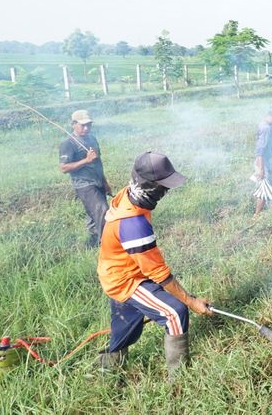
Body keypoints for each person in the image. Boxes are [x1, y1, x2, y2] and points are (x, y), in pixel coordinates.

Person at [96, 151, 212, 377]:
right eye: (163, 186)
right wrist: (191, 301)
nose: (166, 191)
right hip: (126, 280)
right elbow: (159, 273)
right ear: (149, 185)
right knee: (175, 312)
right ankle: (179, 377)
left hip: (120, 270)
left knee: (126, 323)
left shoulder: (129, 194)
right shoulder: (133, 224)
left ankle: (106, 371)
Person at [59, 109, 112, 247]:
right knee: (102, 210)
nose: (86, 128)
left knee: (93, 214)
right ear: (73, 124)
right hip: (84, 184)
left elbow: (97, 161)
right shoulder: (68, 143)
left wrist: (105, 182)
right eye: (83, 125)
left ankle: (93, 242)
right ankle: (108, 244)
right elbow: (64, 168)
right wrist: (86, 161)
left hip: (97, 181)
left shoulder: (92, 138)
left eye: (89, 124)